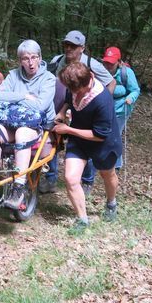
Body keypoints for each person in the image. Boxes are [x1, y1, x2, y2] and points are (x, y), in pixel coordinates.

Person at [0, 40, 56, 208]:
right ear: (20, 60)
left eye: (34, 57)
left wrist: (14, 97)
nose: (31, 62)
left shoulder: (49, 79)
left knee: (22, 133)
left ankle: (18, 187)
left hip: (37, 126)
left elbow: (41, 106)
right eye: (26, 58)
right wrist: (25, 96)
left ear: (40, 58)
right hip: (11, 122)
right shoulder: (13, 75)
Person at [38, 30, 115, 196]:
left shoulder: (92, 64)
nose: (68, 48)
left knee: (87, 143)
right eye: (66, 44)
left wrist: (99, 106)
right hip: (60, 107)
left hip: (87, 111)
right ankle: (51, 178)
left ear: (82, 48)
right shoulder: (57, 61)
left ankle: (87, 181)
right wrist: (63, 109)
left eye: (73, 46)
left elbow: (111, 82)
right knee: (52, 140)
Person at [52, 62, 121, 233]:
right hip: (79, 140)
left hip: (103, 143)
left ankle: (111, 203)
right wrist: (62, 112)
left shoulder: (102, 99)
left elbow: (100, 134)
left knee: (107, 174)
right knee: (70, 178)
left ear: (88, 81)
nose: (73, 92)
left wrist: (67, 129)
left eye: (76, 90)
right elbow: (69, 99)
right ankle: (82, 219)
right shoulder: (74, 85)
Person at [101, 46, 141, 170]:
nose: (108, 66)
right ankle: (102, 158)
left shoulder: (126, 73)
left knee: (115, 135)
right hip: (103, 108)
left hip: (121, 109)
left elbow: (135, 90)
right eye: (106, 62)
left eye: (111, 63)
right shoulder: (100, 71)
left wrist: (130, 98)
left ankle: (116, 164)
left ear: (118, 62)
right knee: (103, 134)